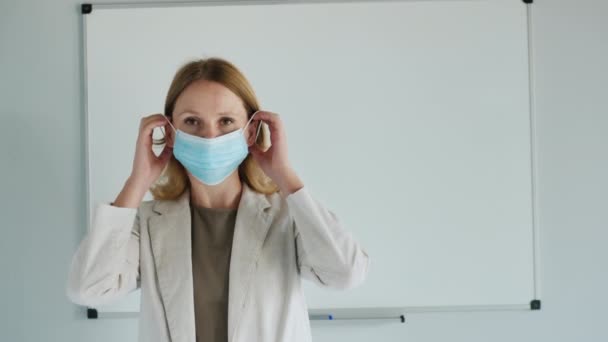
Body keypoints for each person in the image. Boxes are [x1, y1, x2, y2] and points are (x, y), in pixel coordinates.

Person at [66, 57, 370, 342]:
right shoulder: (147, 222)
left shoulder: (286, 216)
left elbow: (345, 273)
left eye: (226, 121)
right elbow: (89, 289)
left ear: (251, 131)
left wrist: (284, 176)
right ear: (169, 132)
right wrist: (136, 182)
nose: (210, 137)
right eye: (192, 122)